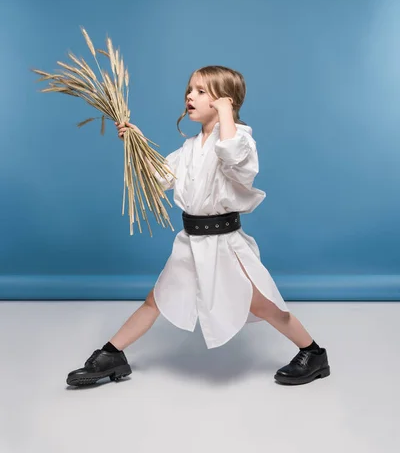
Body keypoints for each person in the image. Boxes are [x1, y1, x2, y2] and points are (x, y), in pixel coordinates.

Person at [66, 66, 330, 387]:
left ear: (224, 102)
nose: (190, 96)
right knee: (156, 299)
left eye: (201, 92)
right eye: (190, 90)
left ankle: (313, 353)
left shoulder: (240, 139)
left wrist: (226, 113)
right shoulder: (191, 147)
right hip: (190, 241)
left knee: (262, 303)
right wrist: (134, 142)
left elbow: (233, 158)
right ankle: (112, 354)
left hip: (225, 244)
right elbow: (161, 178)